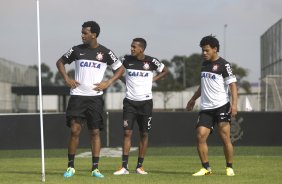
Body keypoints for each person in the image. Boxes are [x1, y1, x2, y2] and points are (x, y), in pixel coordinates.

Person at [56, 21, 125, 178]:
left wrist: (108, 82)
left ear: (94, 34)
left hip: (95, 99)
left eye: (85, 33)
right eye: (82, 32)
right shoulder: (76, 50)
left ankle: (95, 168)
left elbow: (120, 69)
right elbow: (60, 62)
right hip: (77, 97)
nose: (82, 35)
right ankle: (70, 167)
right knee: (75, 130)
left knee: (94, 132)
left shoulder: (105, 52)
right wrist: (67, 78)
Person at [113, 38, 168, 175]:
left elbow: (165, 71)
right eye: (131, 46)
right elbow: (117, 70)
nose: (131, 49)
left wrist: (153, 80)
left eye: (134, 47)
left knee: (144, 133)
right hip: (130, 102)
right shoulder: (126, 60)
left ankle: (139, 166)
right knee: (127, 133)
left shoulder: (151, 61)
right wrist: (124, 80)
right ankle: (124, 167)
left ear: (141, 49)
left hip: (146, 103)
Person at [186, 35, 237, 176]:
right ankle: (206, 168)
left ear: (215, 49)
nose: (204, 53)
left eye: (207, 50)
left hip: (221, 106)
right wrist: (192, 99)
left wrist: (234, 105)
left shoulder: (224, 65)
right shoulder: (204, 65)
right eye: (202, 50)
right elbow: (202, 86)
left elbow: (233, 86)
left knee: (225, 137)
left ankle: (229, 167)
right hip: (206, 108)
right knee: (200, 136)